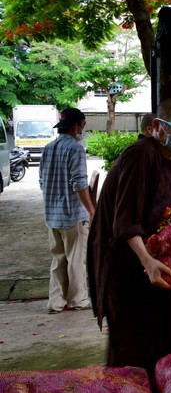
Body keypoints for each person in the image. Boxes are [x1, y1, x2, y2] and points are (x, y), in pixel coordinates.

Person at [88, 99, 171, 376]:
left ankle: (163, 391)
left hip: (150, 258)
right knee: (133, 345)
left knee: (167, 335)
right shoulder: (141, 154)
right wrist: (147, 261)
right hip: (126, 259)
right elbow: (124, 221)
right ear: (157, 126)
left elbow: (154, 193)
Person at [39, 107, 95, 314]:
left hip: (51, 215)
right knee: (76, 260)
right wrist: (91, 210)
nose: (83, 130)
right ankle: (78, 299)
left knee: (58, 259)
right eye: (83, 125)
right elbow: (79, 183)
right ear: (75, 126)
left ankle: (55, 302)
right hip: (73, 215)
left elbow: (42, 181)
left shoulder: (48, 148)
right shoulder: (75, 149)